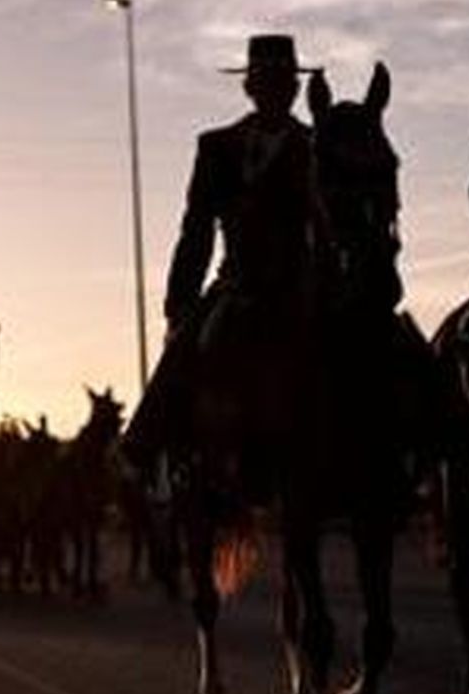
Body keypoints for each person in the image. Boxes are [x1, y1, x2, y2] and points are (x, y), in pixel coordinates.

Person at [122, 34, 326, 496]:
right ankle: (146, 441)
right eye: (266, 81)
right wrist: (179, 305)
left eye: (284, 82)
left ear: (295, 89)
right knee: (186, 346)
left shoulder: (316, 144)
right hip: (239, 281)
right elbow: (196, 229)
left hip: (300, 281)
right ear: (249, 88)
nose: (276, 90)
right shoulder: (216, 147)